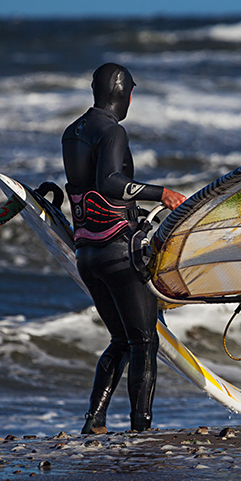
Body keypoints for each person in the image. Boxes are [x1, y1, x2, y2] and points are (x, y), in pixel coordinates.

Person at [61, 63, 186, 434]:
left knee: (120, 339)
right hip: (119, 252)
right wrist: (161, 193)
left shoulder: (73, 132)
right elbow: (111, 183)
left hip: (87, 254)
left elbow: (89, 190)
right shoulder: (113, 131)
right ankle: (141, 428)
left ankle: (94, 421)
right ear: (123, 94)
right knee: (144, 342)